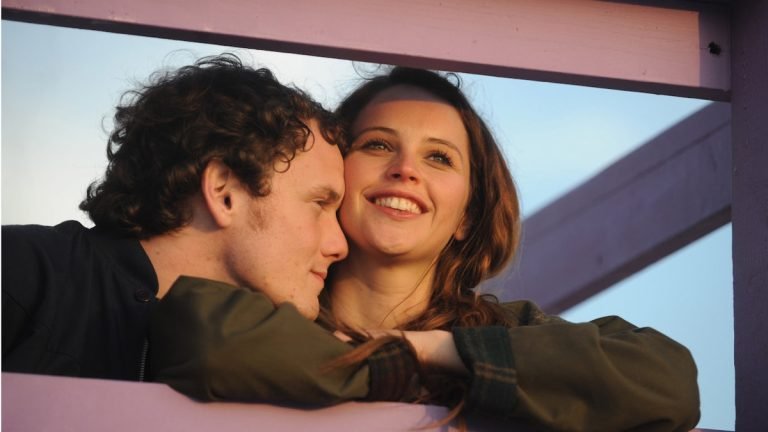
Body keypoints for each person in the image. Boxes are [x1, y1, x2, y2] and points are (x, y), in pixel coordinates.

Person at [149, 67, 701, 431]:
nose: (405, 169)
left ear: (468, 216)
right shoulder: (270, 308)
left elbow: (668, 383)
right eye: (378, 144)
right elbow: (197, 332)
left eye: (439, 157)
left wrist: (436, 351)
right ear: (335, 174)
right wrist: (386, 367)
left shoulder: (509, 333)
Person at [1, 54, 350, 381]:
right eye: (320, 203)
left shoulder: (261, 359)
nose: (340, 246)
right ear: (224, 192)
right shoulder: (20, 272)